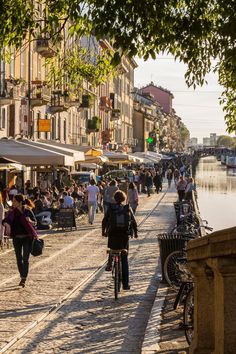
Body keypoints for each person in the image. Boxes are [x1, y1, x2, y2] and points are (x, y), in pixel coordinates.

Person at [102, 190, 138, 290]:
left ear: (114, 198)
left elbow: (104, 221)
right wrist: (135, 233)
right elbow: (134, 222)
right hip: (124, 236)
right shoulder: (127, 208)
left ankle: (110, 263)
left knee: (112, 249)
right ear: (123, 199)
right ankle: (125, 284)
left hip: (112, 235)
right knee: (124, 258)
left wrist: (103, 232)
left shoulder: (111, 208)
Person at [2, 194, 37, 287]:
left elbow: (35, 222)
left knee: (25, 258)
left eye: (14, 201)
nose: (12, 203)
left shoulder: (27, 211)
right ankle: (22, 275)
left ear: (19, 202)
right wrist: (7, 225)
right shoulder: (12, 212)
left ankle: (23, 278)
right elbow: (5, 221)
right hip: (16, 238)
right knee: (18, 259)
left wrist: (30, 221)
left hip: (27, 238)